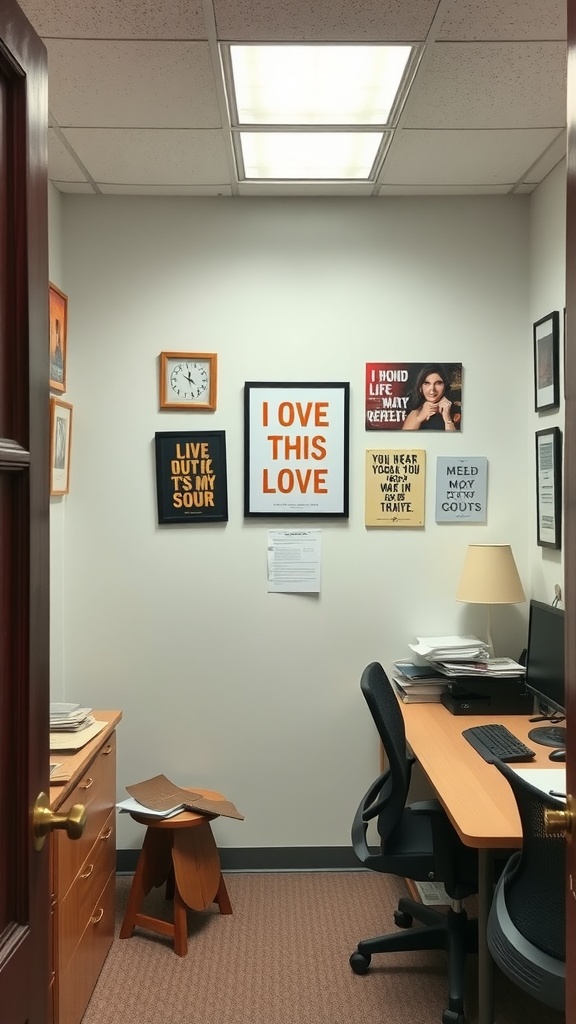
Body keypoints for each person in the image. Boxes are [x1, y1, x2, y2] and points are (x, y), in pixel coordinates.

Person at [401, 364, 460, 431]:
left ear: (445, 386)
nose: (432, 389)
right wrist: (420, 417)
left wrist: (447, 419)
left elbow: (455, 440)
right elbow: (406, 439)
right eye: (427, 383)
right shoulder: (415, 413)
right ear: (420, 388)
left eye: (438, 383)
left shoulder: (456, 413)